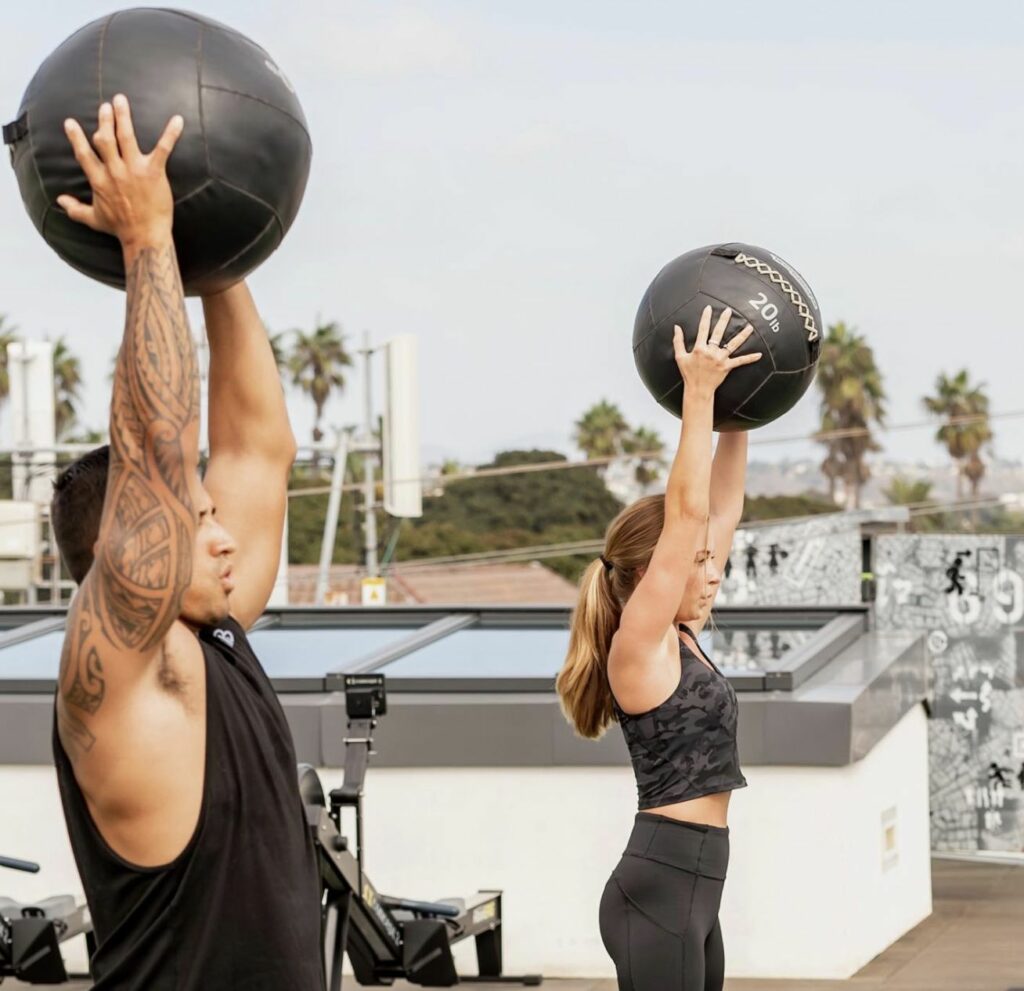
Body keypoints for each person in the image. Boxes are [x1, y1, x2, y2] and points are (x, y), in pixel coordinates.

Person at [49, 96, 323, 990]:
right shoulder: (128, 674)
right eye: (197, 520)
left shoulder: (215, 636)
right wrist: (149, 245)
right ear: (129, 552)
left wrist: (220, 250)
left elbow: (256, 449)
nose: (222, 536)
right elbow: (160, 452)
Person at [556, 305, 760, 991]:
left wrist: (739, 412)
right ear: (650, 574)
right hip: (660, 889)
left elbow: (721, 509)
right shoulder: (638, 647)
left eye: (712, 562)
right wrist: (695, 394)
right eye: (696, 562)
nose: (714, 572)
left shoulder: (681, 641)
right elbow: (690, 516)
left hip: (698, 889)